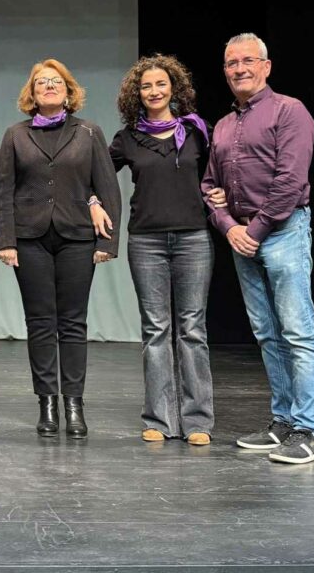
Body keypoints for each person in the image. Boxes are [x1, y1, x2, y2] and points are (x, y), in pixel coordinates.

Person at [201, 32, 314, 464]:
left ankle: (310, 430)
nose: (239, 69)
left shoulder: (291, 112)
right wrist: (228, 225)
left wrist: (252, 230)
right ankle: (284, 422)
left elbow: (290, 182)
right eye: (231, 63)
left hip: (283, 230)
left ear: (266, 66)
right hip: (242, 236)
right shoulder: (222, 125)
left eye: (248, 61)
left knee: (297, 331)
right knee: (268, 333)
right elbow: (209, 186)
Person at [0, 59, 120, 438]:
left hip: (78, 237)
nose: (49, 86)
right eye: (41, 82)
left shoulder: (89, 132)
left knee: (73, 323)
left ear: (68, 90)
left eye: (56, 81)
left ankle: (74, 405)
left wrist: (107, 242)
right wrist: (5, 240)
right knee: (40, 323)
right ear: (31, 93)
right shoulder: (15, 134)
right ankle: (47, 404)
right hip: (29, 239)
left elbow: (107, 187)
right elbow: (2, 192)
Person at [109, 54, 214, 445]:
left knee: (192, 329)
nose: (154, 91)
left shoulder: (198, 131)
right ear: (136, 94)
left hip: (193, 239)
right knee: (156, 330)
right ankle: (159, 419)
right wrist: (94, 204)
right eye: (146, 86)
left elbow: (218, 173)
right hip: (147, 241)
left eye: (160, 84)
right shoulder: (128, 138)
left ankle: (198, 421)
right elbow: (95, 176)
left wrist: (220, 192)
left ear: (174, 88)